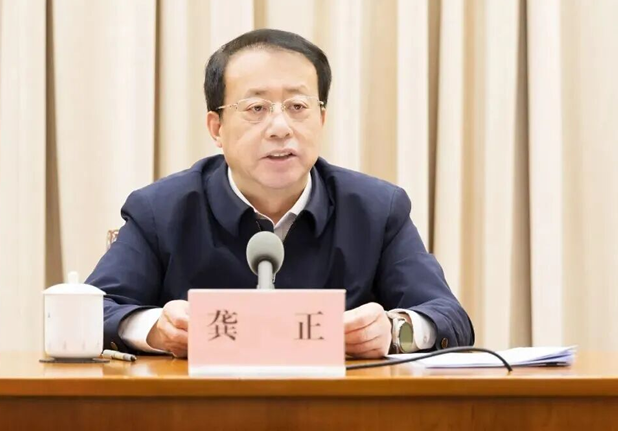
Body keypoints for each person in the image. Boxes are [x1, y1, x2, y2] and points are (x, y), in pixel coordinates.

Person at [86, 28, 474, 358]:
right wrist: (155, 329)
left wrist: (394, 330)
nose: (280, 127)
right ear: (217, 127)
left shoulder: (377, 209)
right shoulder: (160, 210)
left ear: (321, 119)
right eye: (256, 108)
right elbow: (93, 310)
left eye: (298, 106)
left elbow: (450, 318)